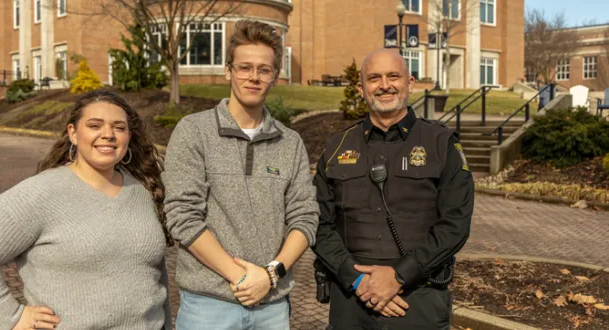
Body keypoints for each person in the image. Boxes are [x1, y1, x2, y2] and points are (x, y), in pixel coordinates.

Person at [162, 19, 318, 330]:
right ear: (228, 71)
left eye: (264, 70)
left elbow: (305, 217)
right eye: (245, 67)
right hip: (208, 306)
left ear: (274, 76)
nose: (254, 77)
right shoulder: (194, 132)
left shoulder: (290, 143)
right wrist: (244, 277)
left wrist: (271, 273)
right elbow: (183, 216)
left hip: (272, 307)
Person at [0, 90, 173, 330]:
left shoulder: (144, 191)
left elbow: (155, 277)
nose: (108, 134)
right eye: (95, 125)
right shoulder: (42, 192)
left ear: (129, 136)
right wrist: (9, 316)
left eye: (119, 127)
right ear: (73, 133)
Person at [312, 49, 474, 329]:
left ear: (410, 84)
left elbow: (455, 224)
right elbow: (318, 222)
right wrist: (359, 280)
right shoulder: (337, 146)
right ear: (361, 89)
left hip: (417, 300)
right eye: (374, 78)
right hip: (351, 301)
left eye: (393, 76)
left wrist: (399, 276)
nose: (384, 84)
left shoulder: (441, 143)